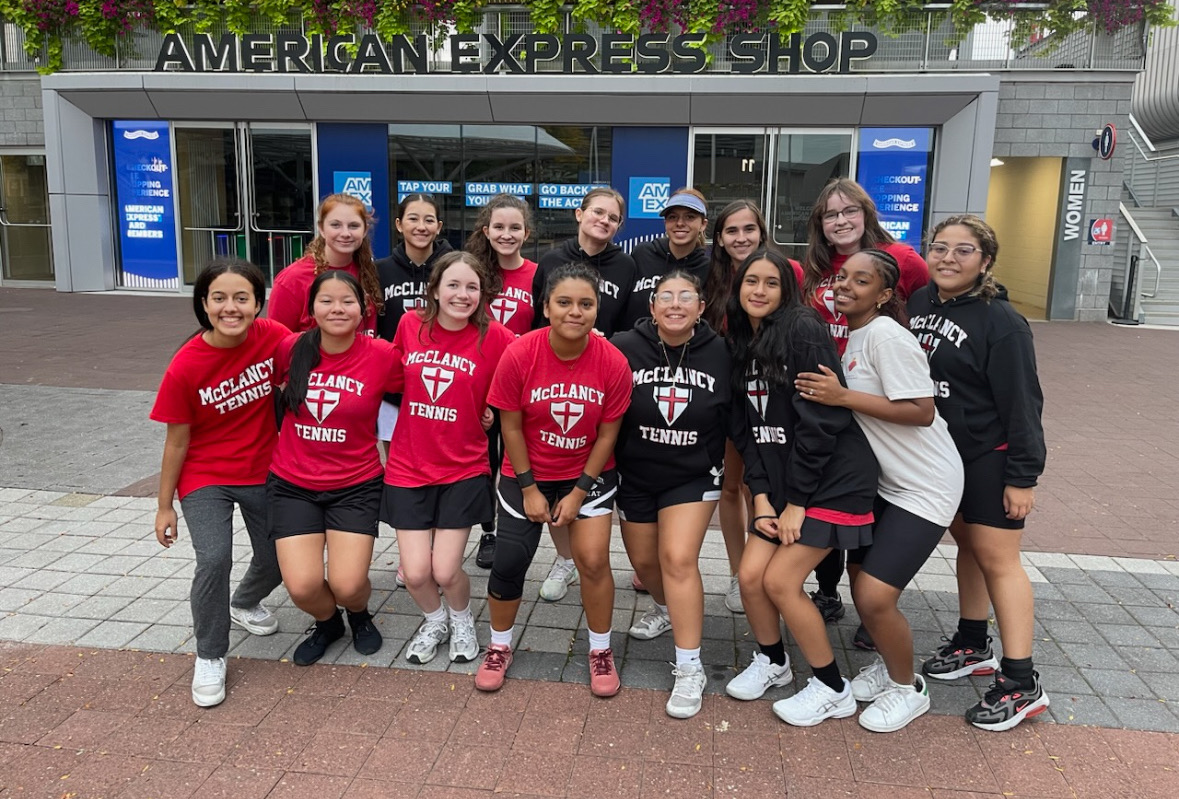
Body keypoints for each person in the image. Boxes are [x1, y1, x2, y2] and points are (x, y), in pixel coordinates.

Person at [794, 249, 964, 732]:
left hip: (926, 485)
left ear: (885, 294)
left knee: (872, 597)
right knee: (861, 574)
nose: (845, 285)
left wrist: (843, 396)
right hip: (888, 484)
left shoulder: (888, 335)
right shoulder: (853, 335)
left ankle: (908, 688)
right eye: (843, 277)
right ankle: (888, 666)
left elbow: (921, 411)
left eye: (861, 281)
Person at [724, 249, 879, 728]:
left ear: (786, 290)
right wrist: (764, 495)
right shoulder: (743, 343)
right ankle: (773, 661)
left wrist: (795, 503)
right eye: (751, 281)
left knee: (780, 581)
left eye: (771, 283)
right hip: (785, 488)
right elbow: (749, 433)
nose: (759, 290)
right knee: (750, 577)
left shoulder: (803, 329)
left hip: (832, 482)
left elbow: (822, 421)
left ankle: (833, 687)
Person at [908, 215, 1049, 732]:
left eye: (962, 251)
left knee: (999, 558)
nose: (947, 258)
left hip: (989, 455)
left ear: (985, 260)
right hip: (941, 454)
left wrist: (1023, 476)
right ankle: (973, 641)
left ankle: (1021, 680)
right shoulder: (920, 302)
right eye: (940, 247)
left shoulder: (1003, 322)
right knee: (967, 544)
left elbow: (1024, 402)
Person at [477, 263, 632, 696]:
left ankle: (600, 650)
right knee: (509, 561)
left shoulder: (612, 361)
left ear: (598, 310)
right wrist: (528, 487)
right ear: (545, 307)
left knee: (594, 561)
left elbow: (608, 433)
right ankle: (500, 645)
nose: (575, 311)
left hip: (589, 474)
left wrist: (580, 491)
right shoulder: (521, 353)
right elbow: (509, 428)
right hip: (526, 472)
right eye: (564, 302)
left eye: (586, 304)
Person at [151, 258, 287, 708]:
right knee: (214, 558)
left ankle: (244, 601)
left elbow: (318, 353)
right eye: (219, 298)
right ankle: (210, 654)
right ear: (204, 304)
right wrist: (164, 505)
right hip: (206, 476)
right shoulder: (186, 365)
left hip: (264, 469)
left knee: (279, 559)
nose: (231, 307)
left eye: (241, 298)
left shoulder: (271, 337)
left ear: (257, 303)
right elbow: (175, 443)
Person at [800, 178, 929, 646]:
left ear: (866, 213)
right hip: (827, 396)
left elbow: (931, 308)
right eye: (830, 214)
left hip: (876, 395)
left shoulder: (903, 259)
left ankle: (876, 606)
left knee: (873, 503)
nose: (840, 221)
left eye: (848, 211)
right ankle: (828, 591)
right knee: (827, 496)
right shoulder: (813, 268)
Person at [381, 252, 514, 665]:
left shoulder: (496, 336)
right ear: (434, 290)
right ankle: (435, 620)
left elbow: (529, 367)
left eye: (471, 287)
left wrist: (494, 409)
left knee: (444, 570)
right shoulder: (410, 325)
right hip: (408, 464)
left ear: (483, 293)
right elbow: (385, 377)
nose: (462, 294)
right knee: (416, 572)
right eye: (453, 285)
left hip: (463, 465)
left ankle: (461, 620)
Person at [612, 269, 731, 718]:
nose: (676, 304)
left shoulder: (721, 353)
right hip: (636, 472)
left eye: (686, 297)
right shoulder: (624, 346)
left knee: (677, 559)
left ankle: (690, 667)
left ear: (701, 308)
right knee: (645, 563)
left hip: (693, 475)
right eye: (667, 296)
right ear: (652, 305)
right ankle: (665, 608)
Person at [269, 271, 396, 666]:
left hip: (355, 484)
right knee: (303, 587)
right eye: (326, 301)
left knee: (349, 584)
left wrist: (483, 414)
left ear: (364, 310)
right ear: (311, 309)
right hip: (292, 483)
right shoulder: (289, 349)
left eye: (347, 301)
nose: (337, 308)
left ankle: (358, 615)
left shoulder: (384, 356)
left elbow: (430, 388)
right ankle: (328, 623)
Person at [531, 187, 636, 602]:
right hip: (554, 379)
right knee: (556, 467)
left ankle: (592, 551)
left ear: (619, 225)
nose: (604, 221)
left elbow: (628, 327)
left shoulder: (626, 265)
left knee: (597, 461)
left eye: (612, 217)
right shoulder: (552, 260)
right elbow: (536, 324)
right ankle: (564, 558)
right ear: (580, 213)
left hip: (601, 379)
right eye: (597, 212)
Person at [701, 201, 800, 615]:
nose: (740, 238)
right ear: (719, 239)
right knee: (731, 485)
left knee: (758, 485)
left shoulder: (786, 270)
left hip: (773, 396)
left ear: (761, 231)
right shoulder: (711, 279)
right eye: (731, 231)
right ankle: (738, 571)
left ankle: (773, 570)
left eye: (748, 229)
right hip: (733, 392)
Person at [374, 193, 453, 586]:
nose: (421, 226)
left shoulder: (451, 268)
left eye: (430, 220)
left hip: (443, 393)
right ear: (399, 223)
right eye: (413, 218)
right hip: (395, 396)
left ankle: (438, 550)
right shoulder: (378, 270)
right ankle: (412, 552)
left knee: (440, 475)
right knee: (404, 478)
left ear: (440, 226)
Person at [465, 194, 539, 570]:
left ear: (526, 232)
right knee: (486, 460)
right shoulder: (473, 272)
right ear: (486, 230)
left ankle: (523, 520)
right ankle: (488, 530)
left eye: (514, 228)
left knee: (518, 456)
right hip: (479, 381)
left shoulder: (537, 274)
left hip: (523, 383)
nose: (506, 234)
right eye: (499, 227)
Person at [268, 193, 382, 335]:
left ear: (364, 230)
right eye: (335, 225)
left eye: (353, 226)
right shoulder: (292, 279)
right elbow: (277, 339)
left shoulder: (370, 271)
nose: (345, 233)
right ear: (321, 228)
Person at [622, 189, 710, 330]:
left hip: (684, 349)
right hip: (635, 348)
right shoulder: (643, 254)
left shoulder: (708, 268)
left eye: (690, 217)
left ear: (703, 224)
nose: (680, 223)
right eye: (673, 217)